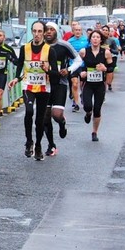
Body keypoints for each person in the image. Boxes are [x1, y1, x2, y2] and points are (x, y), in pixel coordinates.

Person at [8, 20, 58, 161]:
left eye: (39, 31)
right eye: (34, 31)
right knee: (29, 111)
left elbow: (55, 73)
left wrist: (47, 70)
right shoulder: (25, 48)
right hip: (28, 85)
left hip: (43, 87)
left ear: (43, 33)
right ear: (31, 32)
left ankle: (38, 146)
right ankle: (29, 141)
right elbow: (19, 65)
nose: (37, 34)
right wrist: (16, 79)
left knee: (39, 120)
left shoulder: (50, 50)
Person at [42, 22, 82, 156]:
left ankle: (62, 122)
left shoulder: (64, 45)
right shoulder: (38, 46)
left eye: (51, 30)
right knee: (45, 117)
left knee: (56, 115)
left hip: (60, 83)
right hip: (43, 85)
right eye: (46, 30)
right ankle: (51, 145)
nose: (48, 32)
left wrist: (69, 70)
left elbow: (78, 60)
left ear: (56, 32)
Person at [79, 29, 113, 142]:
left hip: (100, 85)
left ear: (101, 40)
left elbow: (112, 67)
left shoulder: (106, 52)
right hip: (88, 84)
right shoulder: (84, 51)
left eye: (98, 37)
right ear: (90, 39)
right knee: (88, 106)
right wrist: (81, 73)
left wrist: (105, 69)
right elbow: (77, 64)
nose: (95, 39)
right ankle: (88, 113)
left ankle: (94, 132)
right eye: (93, 37)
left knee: (97, 109)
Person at [66, 21, 88, 112]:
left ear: (81, 31)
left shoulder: (86, 40)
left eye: (79, 30)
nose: (78, 32)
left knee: (83, 85)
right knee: (74, 83)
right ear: (73, 31)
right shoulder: (69, 42)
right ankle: (75, 103)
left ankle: (83, 95)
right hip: (74, 65)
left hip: (84, 65)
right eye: (76, 30)